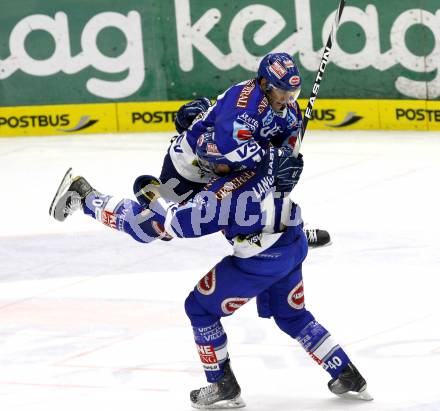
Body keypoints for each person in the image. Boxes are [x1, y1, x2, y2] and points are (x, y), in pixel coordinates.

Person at [49, 136, 372, 408]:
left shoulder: (219, 195)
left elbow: (179, 224)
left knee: (199, 307)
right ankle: (347, 373)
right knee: (293, 316)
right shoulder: (264, 156)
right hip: (292, 243)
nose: (205, 164)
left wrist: (154, 196)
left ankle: (222, 385)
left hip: (259, 261)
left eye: (210, 160)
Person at [162, 52, 331, 247]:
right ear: (265, 84)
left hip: (227, 163)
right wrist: (273, 161)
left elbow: (286, 143)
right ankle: (235, 227)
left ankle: (282, 227)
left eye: (292, 93)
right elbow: (230, 145)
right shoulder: (243, 103)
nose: (287, 99)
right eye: (281, 92)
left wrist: (288, 159)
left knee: (272, 175)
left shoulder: (288, 109)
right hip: (187, 165)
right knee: (162, 226)